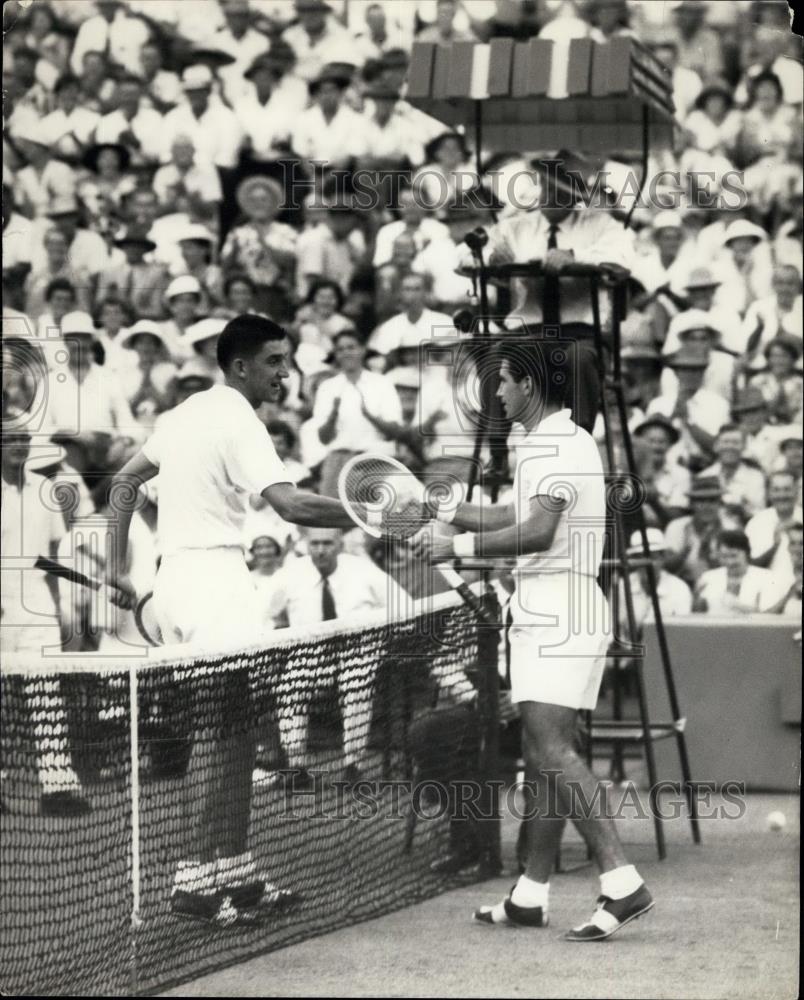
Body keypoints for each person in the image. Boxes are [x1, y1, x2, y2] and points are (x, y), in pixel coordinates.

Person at [105, 314, 360, 927]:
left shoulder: (184, 413)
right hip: (214, 586)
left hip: (182, 582)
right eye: (274, 361)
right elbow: (293, 505)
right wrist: (373, 515)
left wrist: (120, 570)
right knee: (221, 735)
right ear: (241, 366)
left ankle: (235, 871)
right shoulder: (240, 422)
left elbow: (122, 482)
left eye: (287, 360)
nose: (285, 372)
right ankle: (193, 879)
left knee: (241, 730)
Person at [412, 336, 653, 939]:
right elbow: (517, 516)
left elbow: (538, 532)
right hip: (562, 606)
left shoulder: (554, 446)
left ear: (529, 385)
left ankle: (622, 882)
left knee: (551, 753)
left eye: (503, 381)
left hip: (558, 610)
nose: (496, 391)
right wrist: (445, 513)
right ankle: (530, 893)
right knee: (545, 760)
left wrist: (456, 548)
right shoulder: (557, 442)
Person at [474, 150, 635, 432]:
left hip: (579, 331)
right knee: (494, 353)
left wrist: (575, 255)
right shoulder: (515, 226)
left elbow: (622, 259)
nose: (550, 195)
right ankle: (497, 454)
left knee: (580, 358)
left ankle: (577, 442)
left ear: (575, 196)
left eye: (560, 190)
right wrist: (490, 258)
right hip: (528, 330)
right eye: (546, 186)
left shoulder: (600, 224)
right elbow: (466, 255)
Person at [268, 526, 405, 786]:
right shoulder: (291, 573)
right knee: (289, 689)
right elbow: (263, 612)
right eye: (316, 543)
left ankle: (353, 767)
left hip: (358, 652)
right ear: (307, 545)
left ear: (340, 545)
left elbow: (403, 604)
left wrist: (383, 636)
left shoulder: (363, 570)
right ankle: (297, 768)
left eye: (328, 544)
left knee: (356, 688)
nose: (321, 550)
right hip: (309, 654)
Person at [693, 529, 790, 615]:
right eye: (724, 556)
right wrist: (696, 597)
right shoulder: (709, 577)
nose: (729, 562)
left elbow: (768, 618)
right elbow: (698, 614)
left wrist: (738, 605)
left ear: (747, 553)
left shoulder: (767, 578)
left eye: (734, 556)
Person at [700, 424, 766, 517]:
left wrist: (743, 511)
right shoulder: (704, 476)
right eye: (725, 442)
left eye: (735, 442)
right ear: (716, 446)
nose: (730, 447)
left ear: (744, 446)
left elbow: (760, 514)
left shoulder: (755, 477)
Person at [745, 470, 802, 578]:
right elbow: (750, 567)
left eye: (787, 489)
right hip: (767, 588)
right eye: (776, 490)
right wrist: (775, 545)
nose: (782, 495)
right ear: (769, 493)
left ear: (796, 491)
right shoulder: (756, 523)